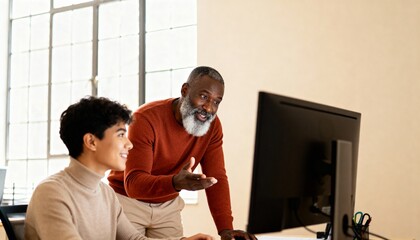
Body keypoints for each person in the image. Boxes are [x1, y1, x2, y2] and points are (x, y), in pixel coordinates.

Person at [24, 96, 214, 240]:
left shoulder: (105, 193)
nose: (130, 144)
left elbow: (134, 239)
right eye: (121, 135)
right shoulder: (52, 193)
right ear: (91, 141)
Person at [107, 66, 257, 240]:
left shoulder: (213, 126)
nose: (209, 108)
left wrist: (225, 230)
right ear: (185, 90)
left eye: (217, 101)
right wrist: (175, 182)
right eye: (204, 96)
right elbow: (133, 184)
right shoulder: (145, 118)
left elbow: (217, 177)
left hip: (168, 205)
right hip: (128, 202)